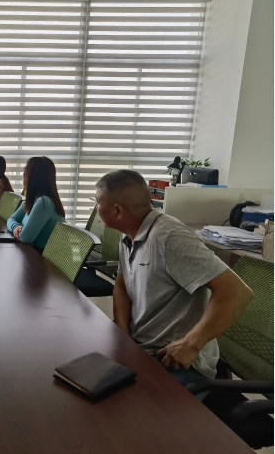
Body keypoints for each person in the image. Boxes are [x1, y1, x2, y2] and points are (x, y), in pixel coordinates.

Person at [95, 169, 252, 397]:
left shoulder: (169, 237)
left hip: (174, 359)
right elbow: (122, 283)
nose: (96, 208)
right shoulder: (129, 232)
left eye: (98, 203)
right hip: (142, 346)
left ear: (118, 211)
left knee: (118, 406)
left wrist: (191, 344)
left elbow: (237, 292)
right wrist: (122, 334)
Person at [6, 156, 66, 251]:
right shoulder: (33, 200)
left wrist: (20, 230)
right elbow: (11, 219)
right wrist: (16, 227)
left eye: (25, 172)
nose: (23, 175)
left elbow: (25, 238)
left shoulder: (44, 202)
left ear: (31, 177)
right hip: (38, 252)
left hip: (48, 257)